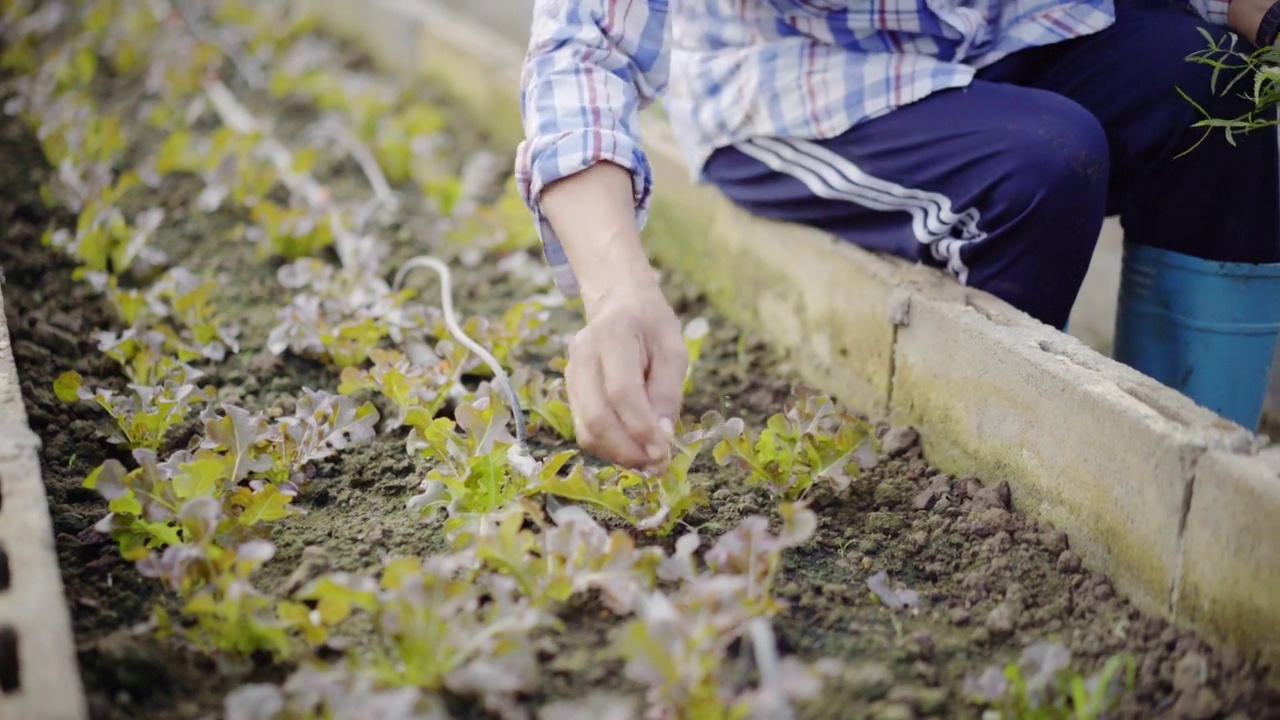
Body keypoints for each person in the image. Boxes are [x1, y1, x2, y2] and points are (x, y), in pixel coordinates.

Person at [515, 0, 1280, 471]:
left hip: (1024, 20)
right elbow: (585, 48)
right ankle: (1018, 491)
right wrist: (618, 292)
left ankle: (1198, 460)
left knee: (1231, 102)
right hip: (808, 74)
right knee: (1039, 173)